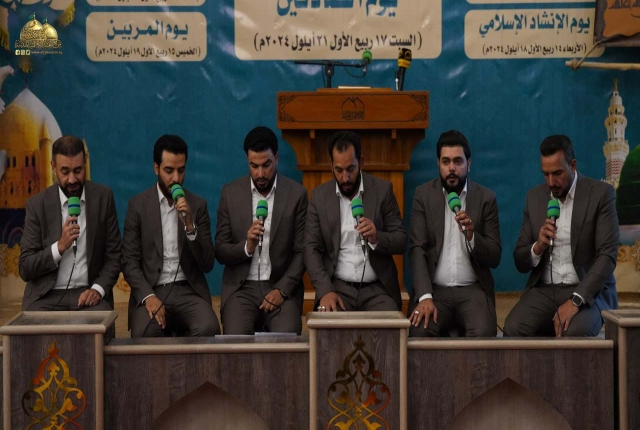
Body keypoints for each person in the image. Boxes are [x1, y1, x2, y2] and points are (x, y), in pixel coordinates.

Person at [504, 135, 619, 337]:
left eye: (557, 173)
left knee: (574, 333)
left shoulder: (601, 194)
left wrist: (576, 300)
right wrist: (538, 247)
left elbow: (607, 256)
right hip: (544, 290)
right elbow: (520, 260)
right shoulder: (534, 197)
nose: (551, 182)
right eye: (546, 174)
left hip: (586, 289)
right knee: (513, 328)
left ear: (572, 166)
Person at [122, 135, 220, 337]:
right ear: (156, 168)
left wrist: (190, 226)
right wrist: (148, 296)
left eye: (181, 170)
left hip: (188, 291)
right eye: (169, 170)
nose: (176, 178)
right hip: (153, 289)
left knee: (208, 328)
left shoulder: (197, 205)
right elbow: (129, 262)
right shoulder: (137, 206)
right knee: (145, 333)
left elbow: (208, 263)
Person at [408, 130, 501, 337]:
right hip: (435, 291)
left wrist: (472, 237)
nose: (452, 168)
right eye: (446, 161)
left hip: (473, 290)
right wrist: (425, 296)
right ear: (438, 164)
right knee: (418, 333)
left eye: (458, 161)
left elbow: (495, 256)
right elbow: (416, 249)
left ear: (469, 164)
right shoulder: (423, 195)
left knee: (484, 334)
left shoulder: (486, 198)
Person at [215, 126, 307, 334]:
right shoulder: (230, 194)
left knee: (286, 342)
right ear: (247, 160)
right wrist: (246, 247)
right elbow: (220, 250)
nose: (260, 173)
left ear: (276, 158)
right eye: (254, 166)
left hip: (279, 285)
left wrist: (281, 290)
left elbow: (302, 252)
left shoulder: (296, 195)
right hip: (241, 288)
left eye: (266, 165)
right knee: (235, 342)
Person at [303, 131, 406, 312]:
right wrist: (325, 290)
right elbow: (310, 248)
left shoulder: (382, 191)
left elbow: (401, 240)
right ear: (331, 166)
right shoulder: (319, 197)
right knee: (327, 326)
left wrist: (376, 238)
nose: (345, 178)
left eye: (351, 169)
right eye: (339, 170)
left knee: (389, 326)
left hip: (378, 290)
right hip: (337, 288)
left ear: (361, 162)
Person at [19, 135, 121, 311]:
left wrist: (97, 290)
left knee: (100, 322)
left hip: (88, 294)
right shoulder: (37, 205)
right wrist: (59, 247)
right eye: (65, 172)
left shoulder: (103, 198)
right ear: (53, 167)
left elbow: (114, 256)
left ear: (85, 163)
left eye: (78, 170)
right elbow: (25, 268)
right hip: (45, 297)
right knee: (34, 326)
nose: (72, 179)